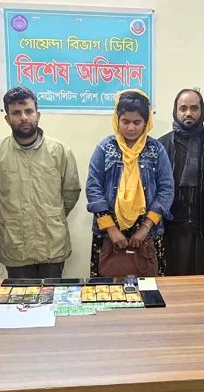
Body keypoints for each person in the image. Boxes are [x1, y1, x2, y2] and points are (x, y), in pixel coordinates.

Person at [0, 87, 80, 279]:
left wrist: (51, 215)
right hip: (16, 245)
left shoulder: (60, 151)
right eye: (16, 113)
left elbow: (71, 192)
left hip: (52, 243)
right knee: (19, 298)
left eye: (28, 111)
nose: (24, 117)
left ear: (38, 114)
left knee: (52, 295)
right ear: (7, 118)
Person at [86, 90, 174, 276]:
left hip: (148, 233)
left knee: (149, 287)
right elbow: (93, 188)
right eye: (125, 121)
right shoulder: (104, 148)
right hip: (108, 233)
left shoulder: (156, 150)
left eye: (137, 122)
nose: (131, 128)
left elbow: (166, 190)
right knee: (107, 288)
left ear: (146, 122)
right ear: (116, 119)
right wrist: (111, 228)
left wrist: (146, 227)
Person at [158, 88, 204, 276]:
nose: (188, 113)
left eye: (194, 108)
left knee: (202, 283)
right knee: (171, 282)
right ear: (175, 111)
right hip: (171, 229)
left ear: (202, 110)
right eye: (183, 108)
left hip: (203, 228)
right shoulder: (161, 145)